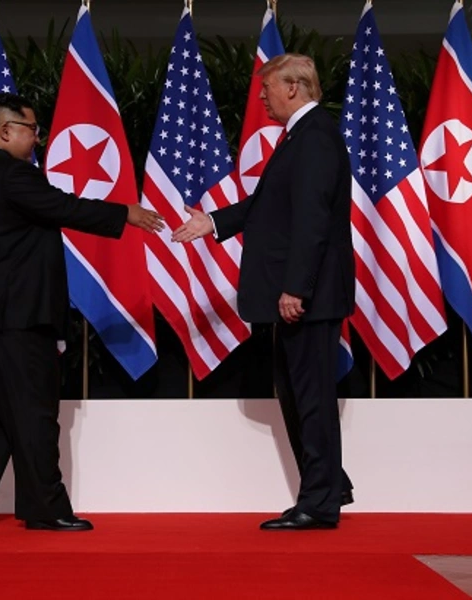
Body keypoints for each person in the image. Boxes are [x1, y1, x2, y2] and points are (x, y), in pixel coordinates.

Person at [0, 93, 164, 531]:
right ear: (6, 130)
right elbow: (63, 207)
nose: (38, 138)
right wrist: (123, 213)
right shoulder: (12, 175)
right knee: (34, 411)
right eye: (33, 130)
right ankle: (44, 507)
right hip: (16, 317)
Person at [172, 53, 354, 530]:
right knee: (297, 395)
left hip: (306, 298)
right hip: (300, 295)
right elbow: (269, 203)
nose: (261, 97)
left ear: (292, 88)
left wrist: (297, 288)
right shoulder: (302, 137)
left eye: (266, 88)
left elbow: (312, 219)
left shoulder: (314, 138)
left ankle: (319, 503)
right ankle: (328, 486)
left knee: (309, 398)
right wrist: (212, 221)